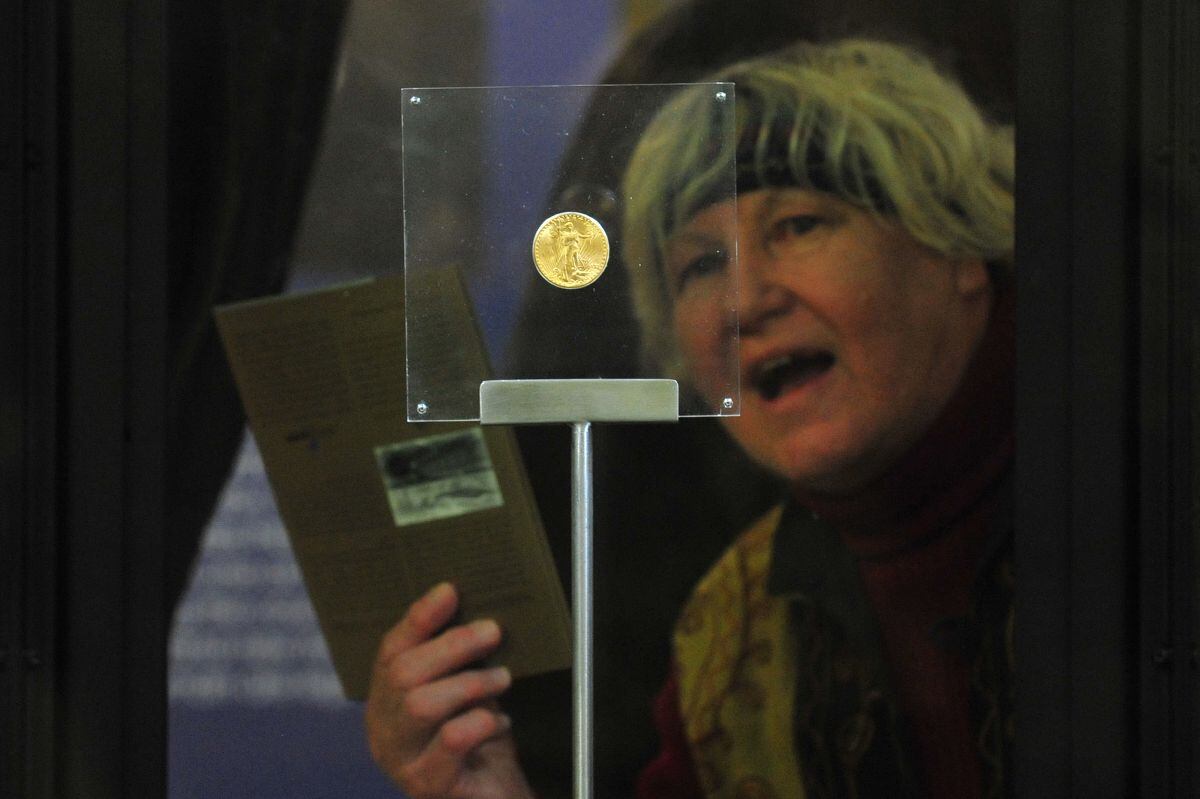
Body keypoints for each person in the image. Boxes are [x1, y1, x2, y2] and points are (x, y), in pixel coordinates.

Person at [365, 38, 1014, 799]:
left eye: (799, 226)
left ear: (958, 244)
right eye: (702, 264)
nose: (745, 301)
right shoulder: (731, 637)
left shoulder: (1140, 503)